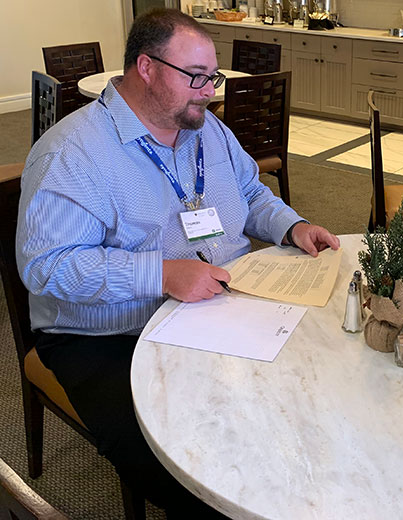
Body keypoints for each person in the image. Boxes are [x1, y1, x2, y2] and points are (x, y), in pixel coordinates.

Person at [16, 8, 339, 517]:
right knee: (193, 471)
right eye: (195, 77)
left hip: (216, 302)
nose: (208, 90)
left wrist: (290, 226)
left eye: (213, 76)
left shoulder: (205, 128)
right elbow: (49, 268)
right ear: (145, 67)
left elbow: (251, 191)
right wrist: (163, 274)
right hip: (105, 336)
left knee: (307, 391)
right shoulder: (72, 154)